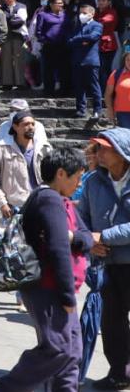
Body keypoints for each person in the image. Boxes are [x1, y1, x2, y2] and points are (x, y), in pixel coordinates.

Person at [0, 148, 91, 392]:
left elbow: (86, 237)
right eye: (77, 177)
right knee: (58, 348)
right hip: (50, 288)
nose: (79, 183)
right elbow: (57, 248)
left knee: (72, 352)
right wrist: (66, 296)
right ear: (62, 174)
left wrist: (74, 237)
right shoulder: (49, 199)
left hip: (59, 288)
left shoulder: (62, 201)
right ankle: (1, 389)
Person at [73, 128, 130, 391]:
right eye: (96, 148)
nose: (98, 153)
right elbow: (80, 219)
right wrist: (89, 243)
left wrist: (102, 236)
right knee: (111, 322)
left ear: (122, 151)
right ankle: (119, 373)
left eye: (104, 148)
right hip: (109, 265)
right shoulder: (94, 181)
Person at [0, 109, 52, 218]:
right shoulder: (0, 149)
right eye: (26, 124)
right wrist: (2, 203)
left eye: (33, 124)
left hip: (41, 203)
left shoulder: (44, 148)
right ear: (15, 127)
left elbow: (53, 176)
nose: (31, 127)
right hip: (15, 207)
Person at [70, 5, 105, 120]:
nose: (81, 15)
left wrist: (79, 39)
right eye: (80, 13)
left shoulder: (97, 25)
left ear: (92, 14)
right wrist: (82, 40)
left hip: (91, 61)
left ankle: (97, 110)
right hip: (77, 61)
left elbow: (93, 37)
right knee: (79, 87)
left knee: (94, 86)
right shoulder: (77, 26)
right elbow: (70, 41)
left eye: (84, 13)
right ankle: (81, 110)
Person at [38, 0, 69, 96]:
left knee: (63, 69)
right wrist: (44, 40)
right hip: (49, 46)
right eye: (58, 3)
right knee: (48, 69)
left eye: (62, 3)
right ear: (51, 4)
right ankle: (48, 91)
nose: (61, 5)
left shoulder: (65, 15)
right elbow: (38, 31)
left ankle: (64, 90)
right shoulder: (43, 15)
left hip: (63, 46)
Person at [1, 0, 29, 90]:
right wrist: (12, 18)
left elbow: (19, 21)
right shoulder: (1, 8)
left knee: (19, 59)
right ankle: (7, 83)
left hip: (19, 36)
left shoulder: (21, 6)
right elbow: (2, 22)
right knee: (6, 59)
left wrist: (7, 20)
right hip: (6, 36)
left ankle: (20, 82)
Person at [99, 0, 121, 91]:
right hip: (97, 45)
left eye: (103, 0)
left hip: (108, 45)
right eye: (99, 0)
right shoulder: (95, 11)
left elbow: (104, 21)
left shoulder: (112, 12)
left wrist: (92, 20)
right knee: (100, 69)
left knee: (105, 69)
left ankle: (107, 91)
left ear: (109, 2)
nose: (101, 2)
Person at [106, 49, 130, 130]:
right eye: (128, 60)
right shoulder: (116, 74)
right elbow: (108, 95)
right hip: (122, 115)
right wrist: (110, 111)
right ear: (124, 61)